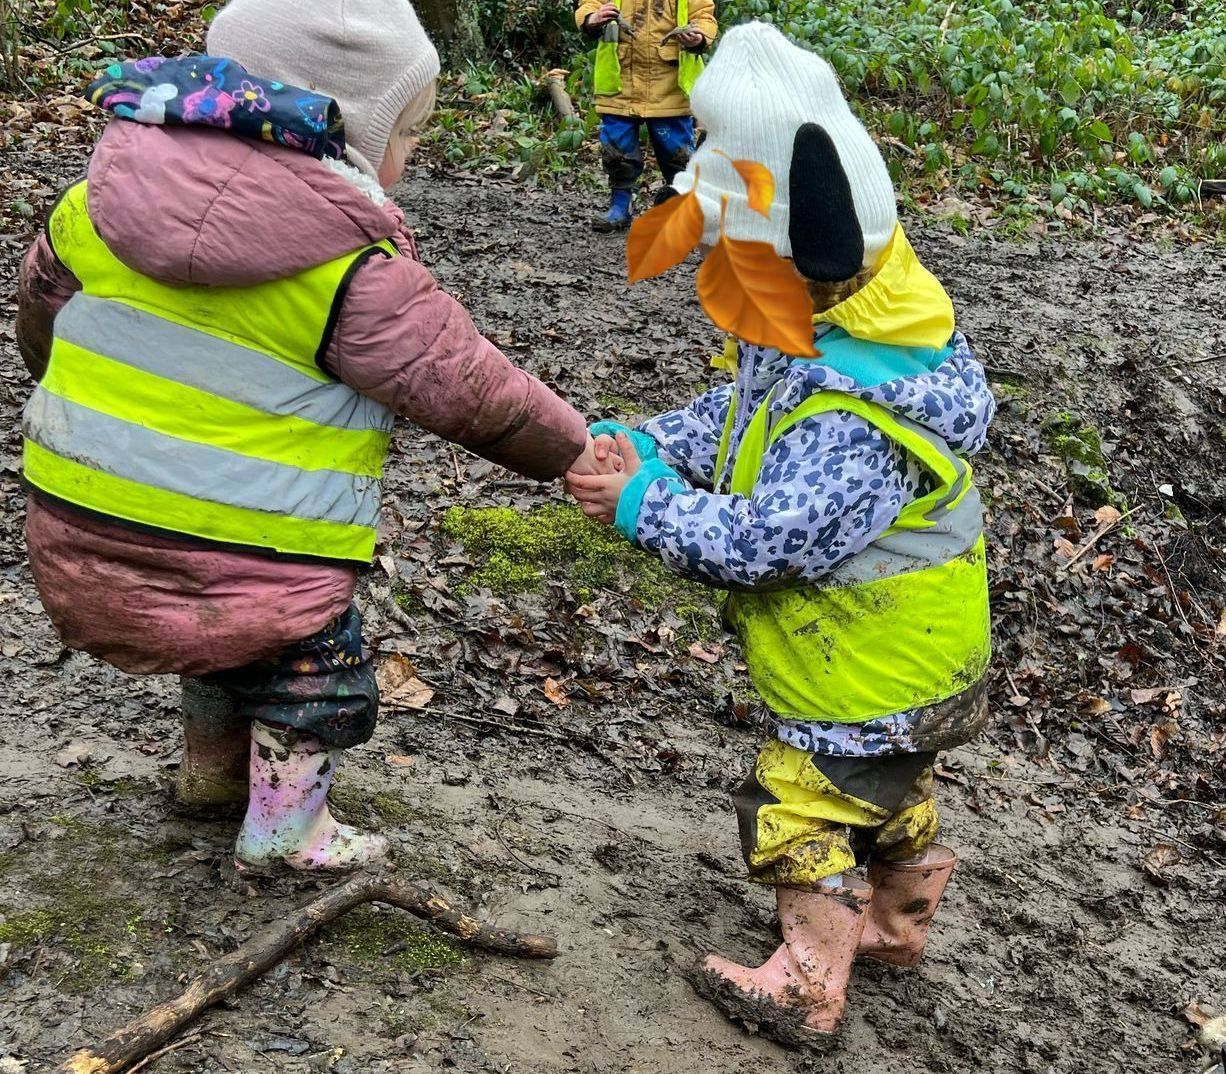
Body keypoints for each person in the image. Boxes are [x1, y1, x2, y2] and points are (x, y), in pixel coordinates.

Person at [16, 0, 601, 875]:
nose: (411, 156)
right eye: (406, 134)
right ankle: (287, 830)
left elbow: (40, 317)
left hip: (76, 519)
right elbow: (470, 387)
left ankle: (212, 779)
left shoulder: (94, 205)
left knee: (215, 640)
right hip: (258, 545)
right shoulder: (349, 272)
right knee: (314, 672)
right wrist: (573, 450)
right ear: (347, 128)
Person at [566, 22, 995, 1047]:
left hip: (867, 663)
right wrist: (650, 439)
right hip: (917, 660)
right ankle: (892, 926)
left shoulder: (860, 414)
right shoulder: (846, 323)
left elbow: (767, 541)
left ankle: (807, 986)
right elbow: (745, 416)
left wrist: (639, 506)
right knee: (890, 794)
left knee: (798, 807)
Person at [575, 0, 717, 232]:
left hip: (669, 84)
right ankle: (620, 205)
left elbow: (704, 15)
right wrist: (591, 18)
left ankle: (680, 205)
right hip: (619, 82)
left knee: (677, 154)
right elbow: (589, 5)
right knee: (617, 151)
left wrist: (699, 36)